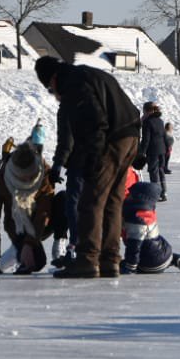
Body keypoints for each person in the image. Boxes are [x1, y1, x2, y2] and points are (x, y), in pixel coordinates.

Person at [37, 55, 141, 279]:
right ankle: (110, 260)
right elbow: (128, 108)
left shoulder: (74, 85)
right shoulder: (89, 74)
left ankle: (87, 259)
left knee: (90, 200)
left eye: (49, 90)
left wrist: (93, 158)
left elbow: (96, 121)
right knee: (113, 200)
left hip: (112, 140)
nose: (53, 95)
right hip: (130, 135)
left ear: (53, 79)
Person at [0, 142, 54, 275]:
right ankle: (16, 251)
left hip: (42, 224)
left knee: (64, 200)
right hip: (18, 225)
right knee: (37, 263)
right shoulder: (2, 178)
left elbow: (44, 212)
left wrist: (29, 244)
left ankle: (62, 254)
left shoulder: (44, 173)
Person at [121, 176, 180, 274]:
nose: (127, 197)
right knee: (170, 256)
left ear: (139, 198)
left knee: (123, 262)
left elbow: (134, 245)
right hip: (163, 255)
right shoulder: (148, 214)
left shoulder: (137, 219)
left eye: (130, 195)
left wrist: (130, 266)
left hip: (148, 264)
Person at [140, 101, 167, 202]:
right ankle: (163, 193)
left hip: (153, 151)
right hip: (162, 150)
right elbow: (164, 136)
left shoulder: (147, 122)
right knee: (160, 171)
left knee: (153, 172)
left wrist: (142, 151)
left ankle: (155, 194)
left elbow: (146, 139)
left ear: (147, 111)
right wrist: (167, 148)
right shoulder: (160, 120)